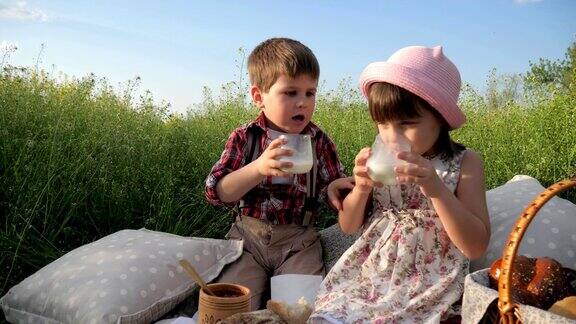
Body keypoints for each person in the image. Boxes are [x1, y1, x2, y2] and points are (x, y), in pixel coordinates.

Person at [310, 45, 490, 323]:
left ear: (440, 119)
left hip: (429, 282)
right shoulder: (377, 159)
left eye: (406, 123)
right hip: (370, 275)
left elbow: (475, 246)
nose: (391, 137)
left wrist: (436, 189)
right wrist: (361, 188)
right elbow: (348, 226)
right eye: (382, 124)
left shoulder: (464, 163)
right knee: (332, 314)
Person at [204, 37, 345, 311]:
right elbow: (217, 192)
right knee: (230, 307)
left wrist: (337, 189)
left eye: (310, 93)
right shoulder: (247, 138)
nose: (302, 103)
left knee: (299, 310)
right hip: (247, 240)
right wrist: (257, 168)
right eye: (290, 93)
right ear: (259, 96)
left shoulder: (319, 141)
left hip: (299, 241)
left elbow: (331, 186)